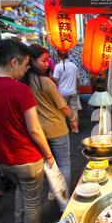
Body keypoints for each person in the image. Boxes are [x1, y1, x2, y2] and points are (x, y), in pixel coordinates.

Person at [0, 39, 55, 223]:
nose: (25, 70)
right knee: (33, 201)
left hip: (3, 161)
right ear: (13, 62)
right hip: (27, 159)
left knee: (21, 191)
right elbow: (35, 130)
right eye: (24, 64)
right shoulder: (20, 90)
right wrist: (49, 155)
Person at [23, 44, 78, 205]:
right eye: (44, 61)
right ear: (32, 60)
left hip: (38, 130)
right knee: (64, 164)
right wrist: (73, 118)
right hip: (57, 128)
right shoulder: (45, 82)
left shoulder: (25, 83)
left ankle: (53, 193)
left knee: (49, 163)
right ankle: (64, 201)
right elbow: (64, 106)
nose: (47, 64)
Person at [53, 50, 80, 133]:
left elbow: (55, 80)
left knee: (62, 111)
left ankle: (64, 129)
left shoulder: (58, 66)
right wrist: (77, 89)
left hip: (62, 93)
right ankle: (75, 129)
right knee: (74, 110)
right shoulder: (74, 66)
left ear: (58, 56)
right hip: (73, 91)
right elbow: (77, 80)